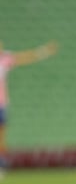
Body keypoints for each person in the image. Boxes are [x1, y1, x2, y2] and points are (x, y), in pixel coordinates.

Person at [0, 40, 58, 171]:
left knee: (1, 138)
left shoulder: (5, 59)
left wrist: (44, 51)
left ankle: (1, 165)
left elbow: (25, 57)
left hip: (2, 104)